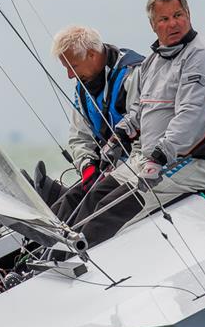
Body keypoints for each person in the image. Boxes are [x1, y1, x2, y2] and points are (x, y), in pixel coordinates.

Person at [70, 0, 205, 248]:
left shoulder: (202, 55)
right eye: (164, 19)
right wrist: (119, 136)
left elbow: (193, 117)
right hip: (153, 160)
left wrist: (159, 156)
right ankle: (56, 252)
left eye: (178, 15)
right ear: (153, 25)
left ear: (189, 15)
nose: (173, 23)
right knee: (96, 195)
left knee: (112, 209)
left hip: (198, 162)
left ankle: (73, 262)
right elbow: (138, 111)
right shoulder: (153, 61)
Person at [42, 26, 144, 220]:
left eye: (72, 67)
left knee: (93, 202)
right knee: (72, 199)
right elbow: (79, 137)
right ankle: (40, 240)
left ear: (91, 55)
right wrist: (87, 166)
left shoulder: (134, 74)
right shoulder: (82, 88)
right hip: (107, 166)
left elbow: (147, 133)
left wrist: (114, 172)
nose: (70, 76)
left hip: (138, 164)